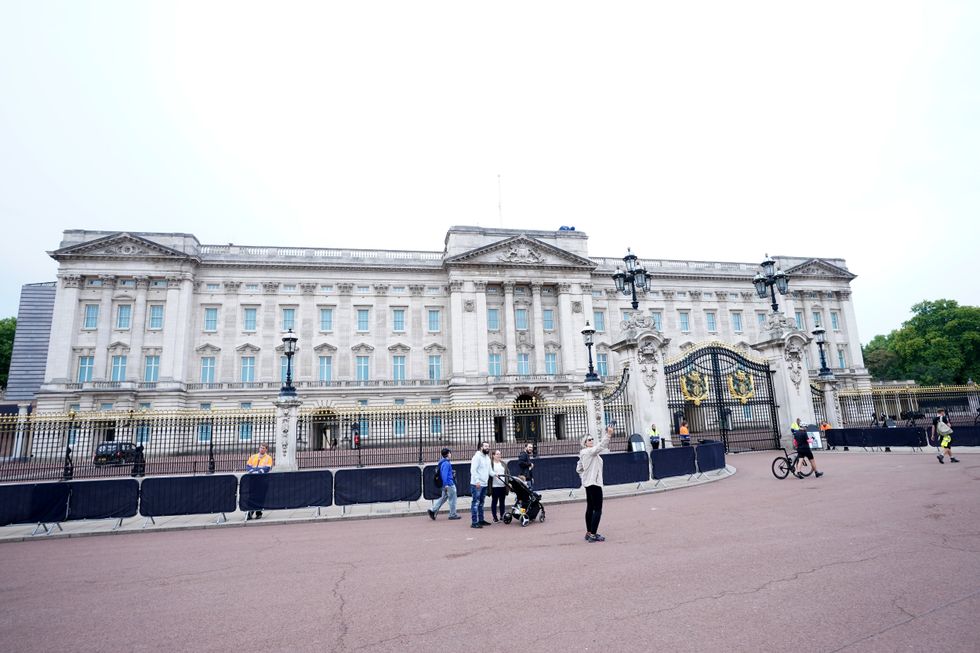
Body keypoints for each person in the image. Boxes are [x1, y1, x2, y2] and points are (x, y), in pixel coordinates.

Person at [578, 423, 613, 542]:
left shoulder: (585, 453)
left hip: (589, 483)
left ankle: (589, 532)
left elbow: (579, 468)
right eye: (589, 439)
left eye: (592, 439)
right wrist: (608, 434)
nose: (591, 440)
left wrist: (585, 476)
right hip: (594, 483)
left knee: (590, 508)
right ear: (584, 442)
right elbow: (601, 446)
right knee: (598, 509)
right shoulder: (588, 452)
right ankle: (593, 534)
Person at [428, 448, 460, 520]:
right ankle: (453, 514)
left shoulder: (442, 462)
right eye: (450, 453)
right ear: (448, 454)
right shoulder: (446, 463)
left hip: (445, 484)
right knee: (453, 499)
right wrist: (446, 484)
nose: (450, 454)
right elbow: (444, 475)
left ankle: (433, 510)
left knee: (443, 498)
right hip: (449, 484)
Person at [245, 443, 274, 520]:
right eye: (261, 447)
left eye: (263, 448)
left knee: (261, 496)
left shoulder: (268, 458)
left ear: (266, 449)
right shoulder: (253, 456)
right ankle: (250, 512)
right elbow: (248, 466)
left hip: (262, 480)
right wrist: (253, 471)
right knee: (251, 496)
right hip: (253, 479)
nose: (261, 449)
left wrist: (257, 472)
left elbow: (267, 468)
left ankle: (258, 512)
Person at [469, 441, 492, 528]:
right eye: (485, 446)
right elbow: (473, 470)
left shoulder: (487, 458)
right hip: (477, 484)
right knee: (476, 503)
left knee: (481, 503)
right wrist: (477, 481)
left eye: (488, 446)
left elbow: (489, 471)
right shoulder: (477, 457)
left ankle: (481, 520)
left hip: (484, 484)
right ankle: (474, 522)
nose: (487, 448)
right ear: (481, 447)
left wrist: (495, 475)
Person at [489, 449, 508, 522]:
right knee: (494, 502)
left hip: (503, 485)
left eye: (500, 454)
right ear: (493, 455)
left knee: (502, 502)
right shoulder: (491, 464)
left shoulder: (503, 463)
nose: (499, 455)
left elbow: (507, 473)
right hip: (494, 486)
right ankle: (494, 517)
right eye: (497, 454)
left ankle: (502, 516)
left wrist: (508, 482)